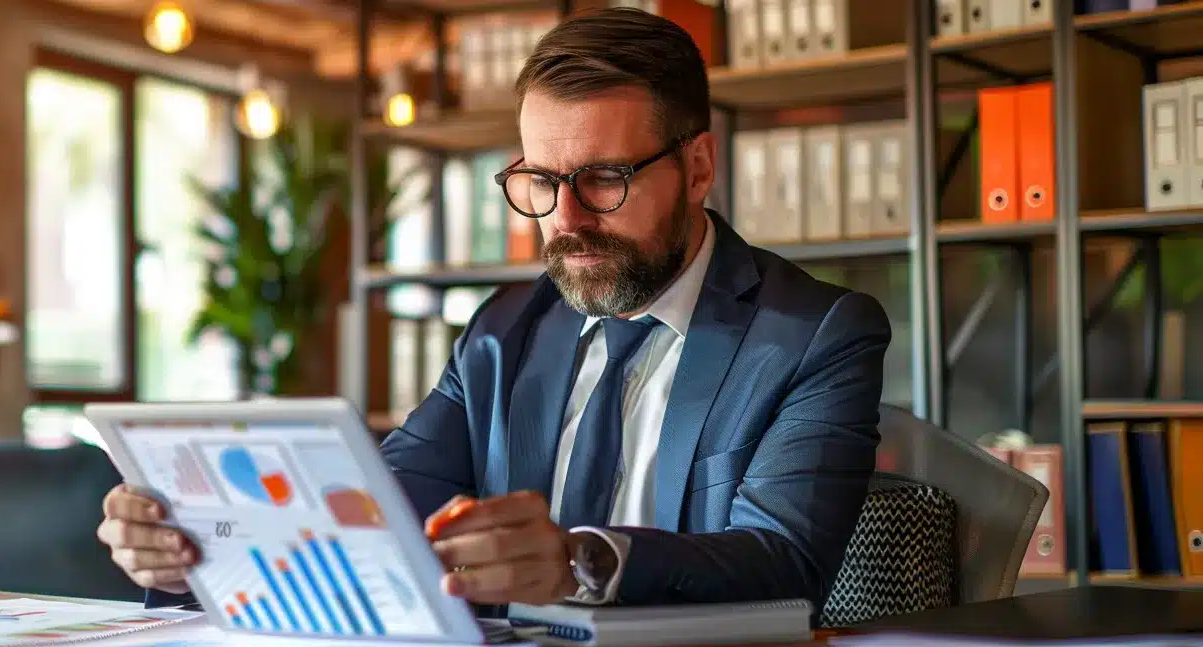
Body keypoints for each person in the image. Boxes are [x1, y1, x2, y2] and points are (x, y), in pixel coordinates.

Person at [96, 7, 890, 613]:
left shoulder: (815, 333)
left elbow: (784, 563)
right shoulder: (506, 329)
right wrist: (197, 543)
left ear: (697, 167)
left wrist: (583, 560)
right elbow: (380, 502)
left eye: (604, 179)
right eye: (540, 182)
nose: (565, 220)